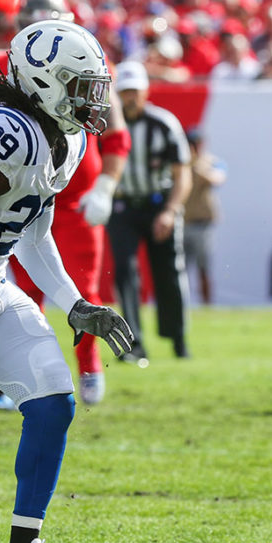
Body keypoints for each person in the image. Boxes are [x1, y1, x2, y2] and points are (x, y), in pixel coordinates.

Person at [0, 19, 134, 543]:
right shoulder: (8, 130)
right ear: (42, 82)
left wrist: (74, 303)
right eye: (80, 86)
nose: (93, 101)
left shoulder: (65, 137)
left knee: (52, 398)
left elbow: (33, 227)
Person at [4, 0, 132, 407]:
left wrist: (106, 185)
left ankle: (87, 365)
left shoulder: (70, 136)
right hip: (23, 199)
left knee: (83, 287)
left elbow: (115, 135)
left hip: (68, 198)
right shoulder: (15, 128)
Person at [108, 61, 192, 361]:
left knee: (168, 272)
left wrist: (170, 211)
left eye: (135, 91)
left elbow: (183, 174)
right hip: (122, 205)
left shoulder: (164, 124)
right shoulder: (108, 125)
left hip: (159, 204)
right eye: (125, 92)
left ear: (146, 92)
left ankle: (178, 340)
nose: (130, 98)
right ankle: (132, 345)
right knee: (125, 274)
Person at [183, 128, 226, 305]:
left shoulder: (210, 162)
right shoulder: (181, 162)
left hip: (203, 225)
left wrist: (195, 165)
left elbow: (217, 179)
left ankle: (206, 305)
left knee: (203, 268)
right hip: (183, 223)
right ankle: (181, 305)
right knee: (181, 270)